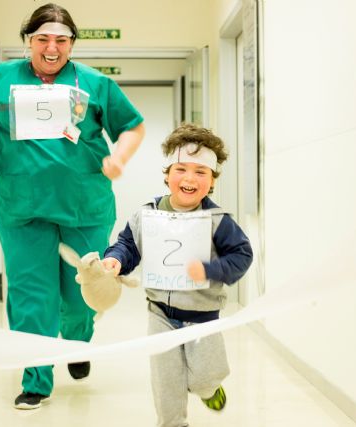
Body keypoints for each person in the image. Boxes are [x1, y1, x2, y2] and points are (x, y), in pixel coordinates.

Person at [0, 3, 145, 410]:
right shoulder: (0, 79)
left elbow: (133, 126)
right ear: (28, 41)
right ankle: (37, 379)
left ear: (72, 44)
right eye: (42, 39)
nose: (51, 47)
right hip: (21, 208)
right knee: (30, 295)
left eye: (61, 40)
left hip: (84, 206)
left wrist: (120, 159)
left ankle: (76, 343)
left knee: (82, 295)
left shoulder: (96, 84)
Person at [102, 123, 252, 427]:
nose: (189, 178)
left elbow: (242, 255)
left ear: (211, 182)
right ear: (168, 174)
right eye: (181, 169)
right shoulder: (147, 214)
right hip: (159, 313)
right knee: (166, 382)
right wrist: (116, 260)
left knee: (204, 377)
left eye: (201, 172)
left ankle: (208, 388)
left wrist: (210, 270)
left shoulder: (217, 221)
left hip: (202, 316)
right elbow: (127, 245)